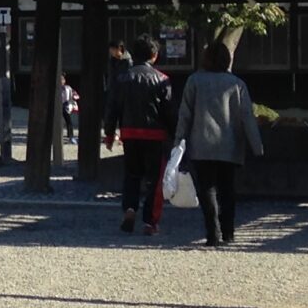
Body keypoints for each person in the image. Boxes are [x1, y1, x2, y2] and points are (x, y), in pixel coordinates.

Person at [171, 39, 266, 248]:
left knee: (207, 189)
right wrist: (257, 146)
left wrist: (178, 142)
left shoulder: (194, 81)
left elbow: (185, 115)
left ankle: (212, 232)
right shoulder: (236, 84)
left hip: (201, 144)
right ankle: (229, 231)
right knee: (227, 188)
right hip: (229, 145)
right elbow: (247, 116)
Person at [109, 34, 176, 236]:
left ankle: (130, 209)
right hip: (155, 134)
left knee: (131, 174)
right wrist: (176, 134)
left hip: (129, 132)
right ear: (154, 56)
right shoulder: (162, 80)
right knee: (155, 180)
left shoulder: (122, 78)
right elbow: (169, 110)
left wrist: (109, 132)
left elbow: (113, 106)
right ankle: (150, 221)